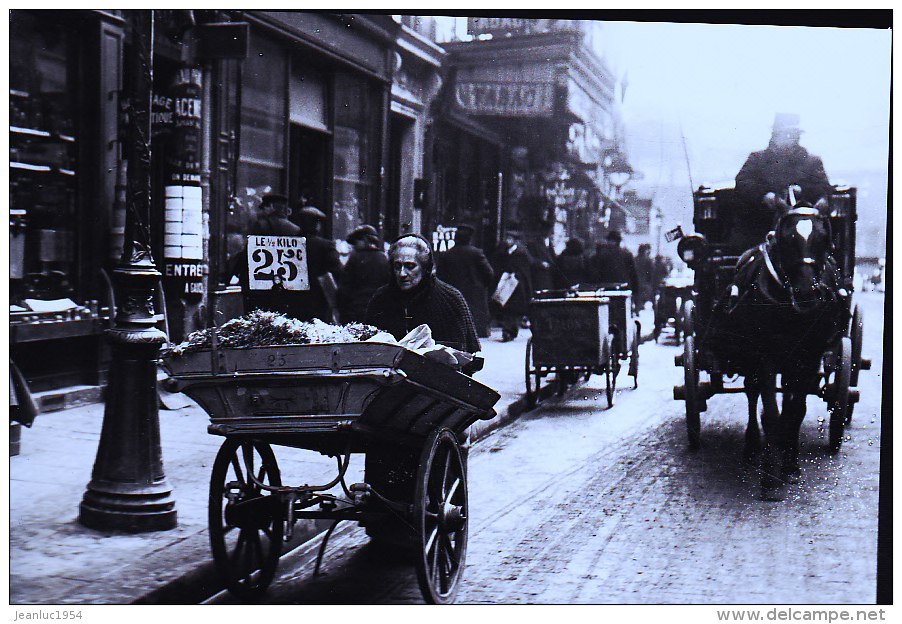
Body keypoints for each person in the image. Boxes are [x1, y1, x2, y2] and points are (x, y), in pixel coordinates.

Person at [366, 233, 480, 356]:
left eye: (410, 266)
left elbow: (466, 356)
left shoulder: (451, 299)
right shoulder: (380, 299)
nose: (402, 273)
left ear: (425, 267)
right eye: (397, 266)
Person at [733, 113, 832, 249]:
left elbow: (823, 187)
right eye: (785, 134)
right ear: (775, 136)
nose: (790, 139)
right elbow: (742, 182)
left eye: (794, 135)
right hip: (761, 228)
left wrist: (813, 196)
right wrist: (765, 196)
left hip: (803, 228)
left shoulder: (812, 162)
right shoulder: (757, 160)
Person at [227, 193, 304, 317]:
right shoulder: (295, 229)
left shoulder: (260, 225)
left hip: (259, 288)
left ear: (271, 208)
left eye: (265, 208)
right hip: (285, 287)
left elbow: (249, 253)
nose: (262, 211)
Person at [435, 224, 495, 338]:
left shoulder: (447, 255)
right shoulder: (477, 253)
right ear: (470, 239)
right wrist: (482, 285)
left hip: (453, 293)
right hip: (474, 295)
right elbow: (489, 273)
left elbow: (440, 276)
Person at [293, 205, 343, 323]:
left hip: (292, 299)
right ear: (317, 225)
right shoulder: (325, 245)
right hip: (316, 299)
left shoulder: (288, 243)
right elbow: (338, 271)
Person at [337, 224, 390, 324]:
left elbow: (343, 291)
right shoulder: (384, 259)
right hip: (378, 313)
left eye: (356, 242)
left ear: (365, 240)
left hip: (355, 313)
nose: (354, 246)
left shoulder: (355, 259)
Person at [490, 229, 534, 342]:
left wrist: (518, 275)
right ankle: (507, 332)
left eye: (510, 239)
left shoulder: (522, 253)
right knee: (506, 308)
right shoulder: (502, 252)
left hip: (517, 285)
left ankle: (511, 331)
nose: (507, 241)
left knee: (514, 309)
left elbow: (526, 268)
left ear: (515, 241)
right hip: (505, 283)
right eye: (506, 239)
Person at [588, 230, 638, 294]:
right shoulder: (627, 254)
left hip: (605, 288)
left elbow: (594, 274)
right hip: (623, 288)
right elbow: (633, 274)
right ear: (619, 241)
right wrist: (635, 291)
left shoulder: (600, 255)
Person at [634, 243, 655, 309]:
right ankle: (640, 306)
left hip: (636, 281)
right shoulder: (648, 260)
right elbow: (651, 272)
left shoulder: (635, 259)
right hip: (645, 281)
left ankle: (638, 307)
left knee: (637, 296)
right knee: (644, 295)